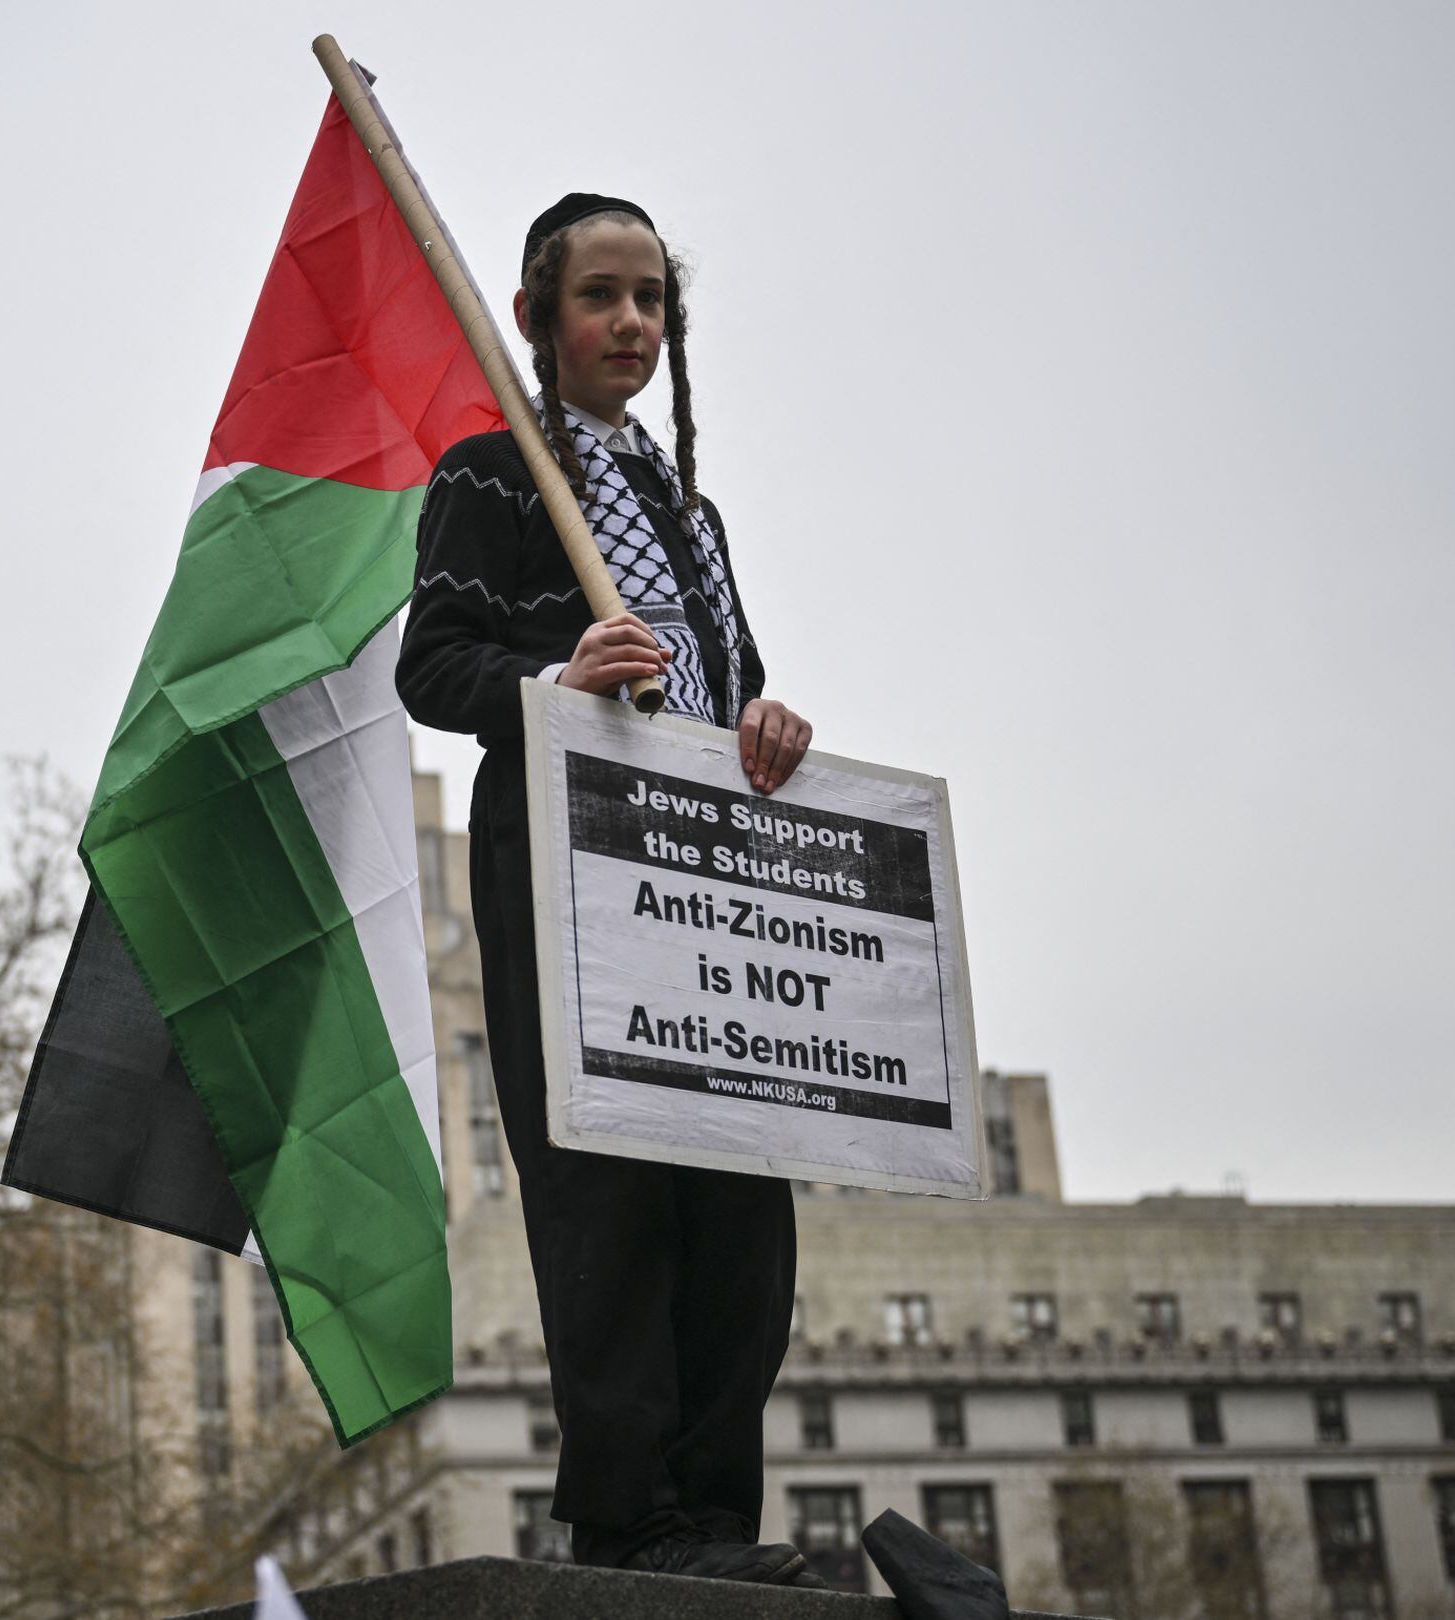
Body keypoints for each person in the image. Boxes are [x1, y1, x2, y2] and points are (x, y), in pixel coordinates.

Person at [395, 194, 820, 1587]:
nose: (632, 323)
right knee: (610, 1201)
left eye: (652, 301)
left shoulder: (692, 514)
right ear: (537, 318)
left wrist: (765, 728)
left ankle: (715, 1523)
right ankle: (626, 1523)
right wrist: (549, 684)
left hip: (711, 883)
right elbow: (431, 665)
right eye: (602, 296)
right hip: (568, 869)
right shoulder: (490, 477)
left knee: (743, 1216)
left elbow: (732, 681)